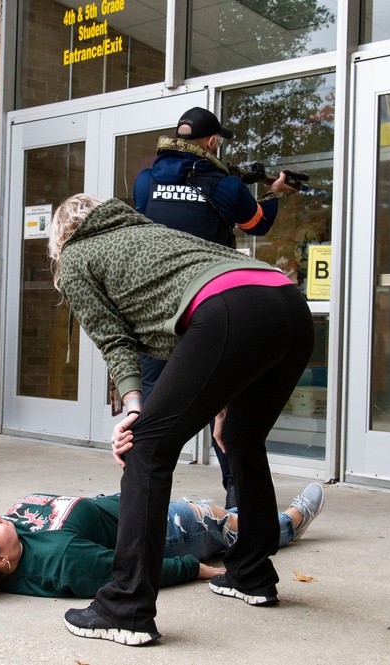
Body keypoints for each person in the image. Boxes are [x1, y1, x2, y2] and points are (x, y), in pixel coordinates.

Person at [48, 194, 315, 645]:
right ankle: (251, 572)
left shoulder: (76, 256)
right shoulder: (150, 233)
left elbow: (116, 341)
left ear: (59, 236)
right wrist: (223, 399)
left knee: (146, 447)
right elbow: (208, 332)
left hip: (233, 310)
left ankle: (126, 607)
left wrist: (135, 409)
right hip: (288, 303)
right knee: (242, 437)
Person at [134, 106, 298, 509]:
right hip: (208, 306)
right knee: (223, 400)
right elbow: (256, 223)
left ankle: (139, 495)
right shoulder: (223, 185)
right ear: (211, 142)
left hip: (158, 307)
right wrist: (275, 192)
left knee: (153, 404)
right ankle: (238, 495)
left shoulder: (145, 180)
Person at [0, 483, 324, 606]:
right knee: (226, 523)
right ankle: (289, 523)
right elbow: (128, 570)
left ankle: (247, 516)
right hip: (167, 531)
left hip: (138, 506)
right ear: (1, 562)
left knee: (224, 512)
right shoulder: (63, 563)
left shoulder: (13, 549)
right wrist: (197, 569)